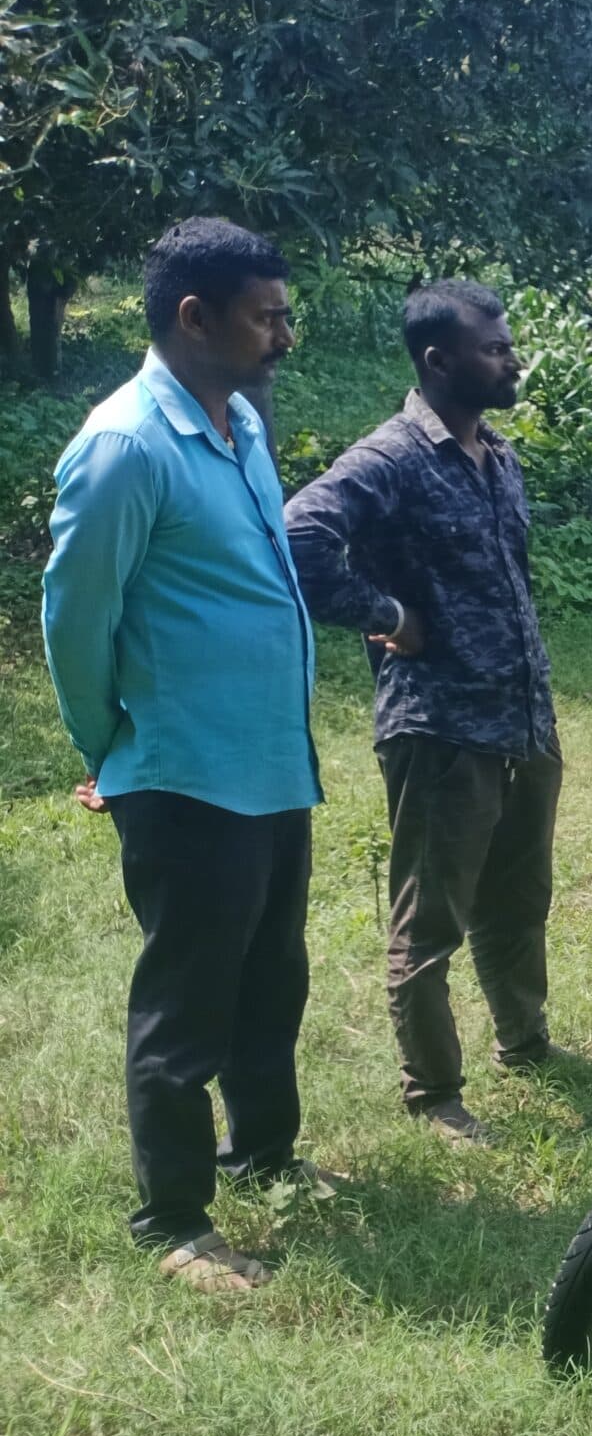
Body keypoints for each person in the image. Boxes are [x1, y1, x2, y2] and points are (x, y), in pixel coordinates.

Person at [41, 218, 323, 1292]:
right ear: (192, 317)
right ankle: (171, 1218)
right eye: (266, 318)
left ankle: (263, 1152)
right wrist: (110, 749)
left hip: (268, 763)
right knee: (189, 996)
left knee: (271, 977)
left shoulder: (237, 424)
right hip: (184, 769)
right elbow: (77, 619)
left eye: (285, 315)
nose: (282, 337)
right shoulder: (125, 446)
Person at [285, 281, 558, 1145]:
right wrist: (388, 617)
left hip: (521, 716)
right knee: (430, 915)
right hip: (439, 727)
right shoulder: (393, 457)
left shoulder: (498, 455)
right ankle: (434, 1092)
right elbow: (298, 537)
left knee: (520, 897)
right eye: (494, 346)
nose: (511, 358)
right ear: (439, 360)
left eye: (507, 343)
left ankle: (525, 1038)